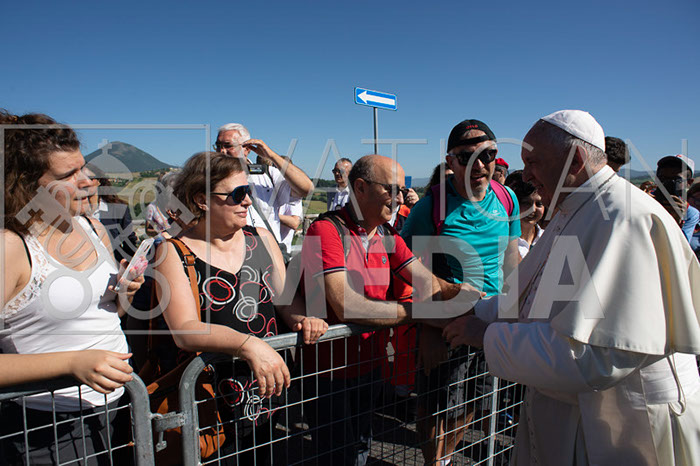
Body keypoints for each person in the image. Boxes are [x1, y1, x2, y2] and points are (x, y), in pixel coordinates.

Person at [443, 109, 700, 465]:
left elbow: (600, 355)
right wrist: (477, 310)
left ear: (575, 160)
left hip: (626, 420)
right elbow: (533, 294)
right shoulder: (576, 208)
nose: (526, 176)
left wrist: (486, 335)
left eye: (533, 162)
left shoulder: (623, 217)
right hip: (578, 411)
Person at [300, 154, 482, 466]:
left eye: (402, 190)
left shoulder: (386, 235)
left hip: (369, 365)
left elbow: (428, 281)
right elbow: (346, 306)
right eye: (391, 189)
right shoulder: (327, 231)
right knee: (337, 456)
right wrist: (420, 313)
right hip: (329, 372)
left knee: (361, 448)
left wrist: (469, 296)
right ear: (360, 187)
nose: (399, 198)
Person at [153, 151, 326, 464]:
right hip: (208, 401)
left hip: (266, 391)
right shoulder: (172, 251)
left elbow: (284, 299)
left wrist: (303, 318)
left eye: (248, 191)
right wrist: (249, 345)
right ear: (202, 200)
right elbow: (184, 329)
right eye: (237, 193)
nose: (248, 200)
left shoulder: (261, 238)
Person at [0, 110, 144, 464]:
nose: (88, 181)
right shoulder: (11, 246)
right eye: (68, 175)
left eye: (84, 168)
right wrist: (73, 363)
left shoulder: (92, 227)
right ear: (26, 184)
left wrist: (125, 294)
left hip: (119, 406)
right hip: (46, 426)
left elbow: (106, 314)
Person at [401, 119, 521, 465]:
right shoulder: (431, 207)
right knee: (434, 405)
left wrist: (515, 311)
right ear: (451, 161)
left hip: (491, 319)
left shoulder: (507, 197)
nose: (479, 165)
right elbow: (404, 266)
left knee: (473, 402)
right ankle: (434, 461)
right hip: (447, 324)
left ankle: (445, 458)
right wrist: (428, 327)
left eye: (488, 154)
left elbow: (511, 260)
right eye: (467, 157)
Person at [214, 123, 314, 244]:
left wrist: (271, 155)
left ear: (247, 149)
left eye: (228, 146)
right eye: (218, 146)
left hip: (268, 250)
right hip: (229, 250)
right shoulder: (210, 178)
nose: (221, 151)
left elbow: (306, 189)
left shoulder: (267, 174)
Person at [86, 166, 138, 263]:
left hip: (114, 264)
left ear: (99, 181)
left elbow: (129, 241)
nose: (84, 183)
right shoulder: (72, 213)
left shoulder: (118, 210)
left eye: (89, 178)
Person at [654, 153, 699, 244]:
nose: (667, 183)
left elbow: (682, 246)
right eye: (662, 178)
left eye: (677, 180)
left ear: (689, 183)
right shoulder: (646, 200)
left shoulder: (690, 213)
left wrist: (677, 221)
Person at [505, 170, 545, 258]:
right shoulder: (500, 242)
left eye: (539, 204)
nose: (533, 209)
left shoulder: (548, 238)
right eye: (525, 203)